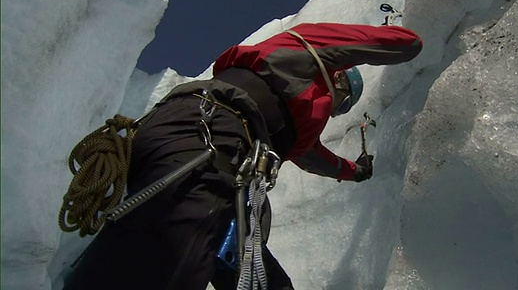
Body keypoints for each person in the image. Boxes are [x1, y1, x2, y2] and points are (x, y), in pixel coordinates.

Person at [63, 22, 422, 290]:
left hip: (216, 148)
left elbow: (315, 158)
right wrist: (412, 45)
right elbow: (367, 43)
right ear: (339, 79)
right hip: (208, 128)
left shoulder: (297, 127)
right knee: (169, 251)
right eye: (342, 102)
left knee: (252, 270)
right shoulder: (303, 52)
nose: (335, 110)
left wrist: (354, 171)